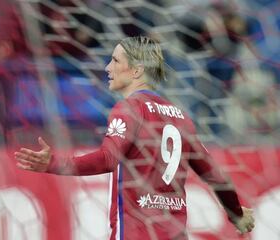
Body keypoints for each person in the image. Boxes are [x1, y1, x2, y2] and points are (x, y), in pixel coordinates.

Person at [15, 36, 255, 240]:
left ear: (137, 69)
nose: (108, 68)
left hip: (136, 232)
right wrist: (236, 213)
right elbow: (215, 176)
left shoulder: (130, 108)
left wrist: (53, 163)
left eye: (115, 60)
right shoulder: (181, 116)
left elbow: (108, 159)